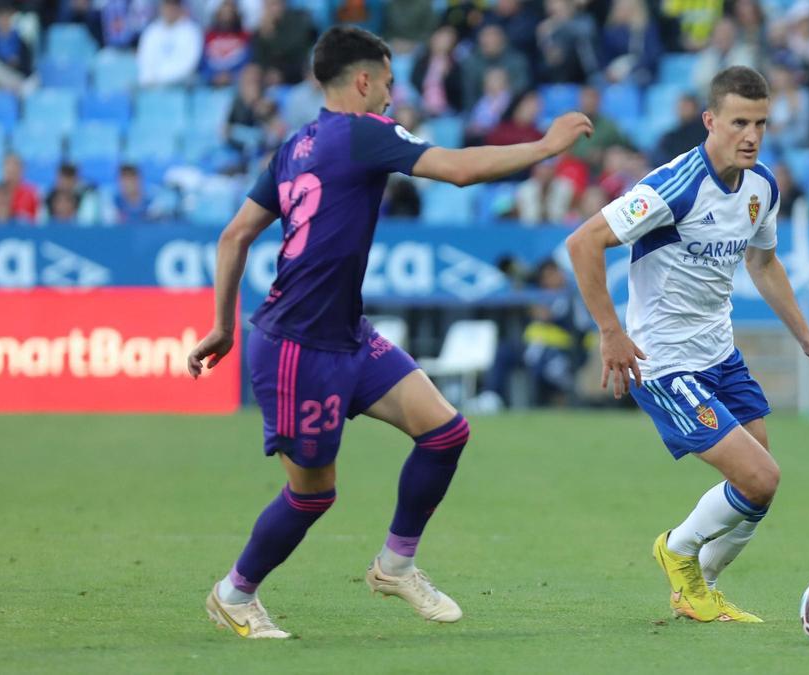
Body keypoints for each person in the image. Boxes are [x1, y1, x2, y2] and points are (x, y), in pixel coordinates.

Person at [187, 26, 593, 639]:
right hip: (300, 344)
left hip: (346, 333)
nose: (390, 96)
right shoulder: (365, 132)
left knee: (445, 431)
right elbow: (456, 170)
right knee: (312, 495)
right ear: (363, 80)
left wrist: (222, 324)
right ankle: (233, 593)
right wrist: (545, 145)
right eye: (388, 82)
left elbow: (234, 234)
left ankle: (395, 565)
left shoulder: (295, 145)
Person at [565, 66, 809, 623]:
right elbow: (584, 243)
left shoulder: (761, 186)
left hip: (718, 353)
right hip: (665, 362)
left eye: (761, 124)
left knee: (758, 484)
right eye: (739, 122)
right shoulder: (673, 186)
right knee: (760, 477)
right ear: (710, 121)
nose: (751, 135)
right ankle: (676, 553)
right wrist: (611, 333)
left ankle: (699, 589)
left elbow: (764, 263)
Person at [137, 0, 204, 87]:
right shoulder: (152, 30)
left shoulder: (192, 31)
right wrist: (149, 79)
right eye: (167, 5)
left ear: (180, 8)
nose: (170, 9)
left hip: (179, 86)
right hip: (152, 85)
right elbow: (144, 59)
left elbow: (189, 64)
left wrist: (162, 79)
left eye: (173, 6)